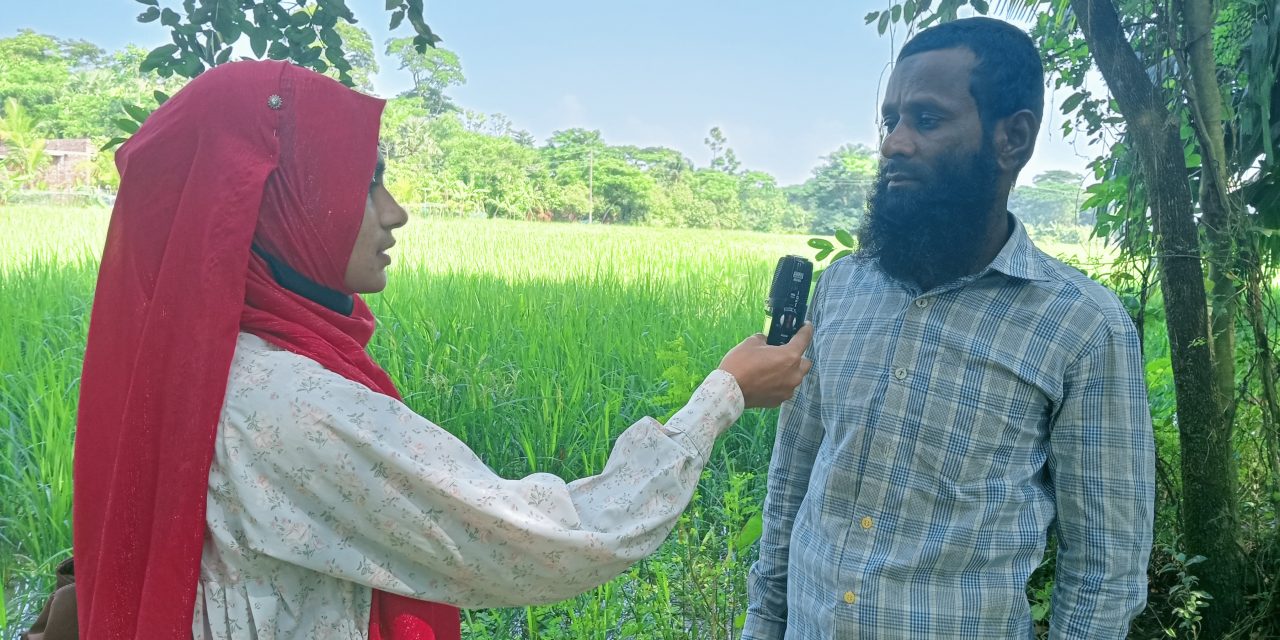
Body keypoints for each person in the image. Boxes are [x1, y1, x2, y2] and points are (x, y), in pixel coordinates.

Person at [71, 60, 812, 640]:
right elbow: (549, 540)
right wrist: (724, 396)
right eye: (365, 184)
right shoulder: (283, 404)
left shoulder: (189, 369)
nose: (395, 213)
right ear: (276, 205)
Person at [742, 17, 1154, 639]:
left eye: (926, 121)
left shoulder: (1082, 327)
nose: (893, 145)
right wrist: (761, 626)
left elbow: (1105, 568)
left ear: (1011, 138)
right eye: (890, 121)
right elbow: (791, 485)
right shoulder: (842, 290)